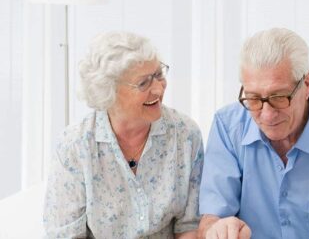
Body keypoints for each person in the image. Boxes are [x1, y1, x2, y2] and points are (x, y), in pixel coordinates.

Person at [198, 28, 309, 239]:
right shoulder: (227, 127)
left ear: (307, 84)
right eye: (253, 98)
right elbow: (211, 219)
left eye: (279, 97)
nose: (267, 114)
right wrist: (216, 229)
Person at [43, 31, 204, 238]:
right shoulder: (75, 146)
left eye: (158, 75)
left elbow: (189, 226)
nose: (158, 89)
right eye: (144, 83)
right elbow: (65, 234)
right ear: (108, 92)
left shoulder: (185, 134)